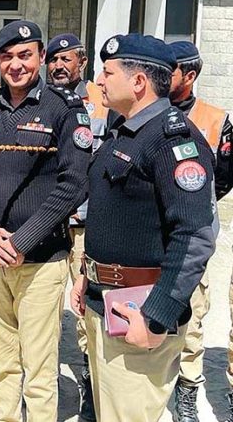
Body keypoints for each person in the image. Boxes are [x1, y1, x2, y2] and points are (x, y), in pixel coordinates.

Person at [71, 33, 216, 422]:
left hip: (141, 311)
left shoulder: (172, 141)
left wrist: (157, 316)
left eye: (107, 72)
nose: (99, 80)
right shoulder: (126, 130)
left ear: (138, 82)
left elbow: (195, 235)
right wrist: (89, 275)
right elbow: (115, 213)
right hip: (109, 302)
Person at [0, 20, 91, 422]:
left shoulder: (65, 110)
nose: (16, 65)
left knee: (38, 367)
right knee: (1, 363)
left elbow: (74, 184)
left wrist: (22, 240)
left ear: (41, 57)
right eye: (8, 57)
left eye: (25, 55)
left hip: (40, 261)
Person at [45, 32, 115, 422]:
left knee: (89, 314)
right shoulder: (41, 103)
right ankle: (42, 387)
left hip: (89, 226)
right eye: (53, 60)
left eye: (66, 59)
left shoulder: (105, 105)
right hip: (50, 224)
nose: (58, 66)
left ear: (82, 62)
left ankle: (90, 391)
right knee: (44, 313)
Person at [166, 40, 233, 422]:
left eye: (170, 70)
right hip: (152, 235)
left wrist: (194, 207)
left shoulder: (215, 119)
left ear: (189, 76)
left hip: (193, 237)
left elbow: (222, 177)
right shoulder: (147, 111)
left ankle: (188, 389)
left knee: (191, 316)